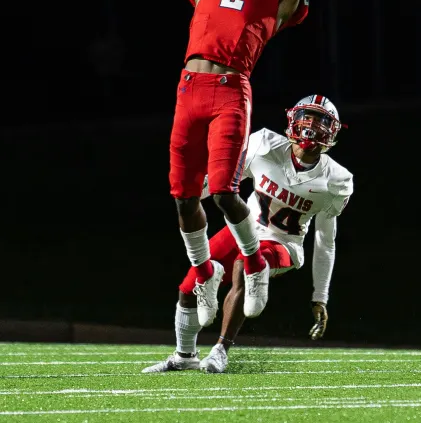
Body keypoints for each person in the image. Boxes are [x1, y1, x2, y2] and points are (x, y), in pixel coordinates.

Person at [169, 0, 356, 328]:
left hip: (230, 86)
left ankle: (252, 268)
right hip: (189, 85)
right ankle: (203, 277)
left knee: (226, 192)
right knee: (184, 197)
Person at [143, 93, 353, 374]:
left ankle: (221, 349)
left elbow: (325, 241)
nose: (311, 126)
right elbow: (224, 184)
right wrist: (191, 194)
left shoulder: (337, 180)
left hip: (284, 244)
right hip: (244, 230)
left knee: (248, 263)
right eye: (307, 117)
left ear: (332, 130)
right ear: (293, 119)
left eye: (320, 120)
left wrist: (320, 296)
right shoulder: (264, 143)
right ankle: (184, 355)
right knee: (189, 286)